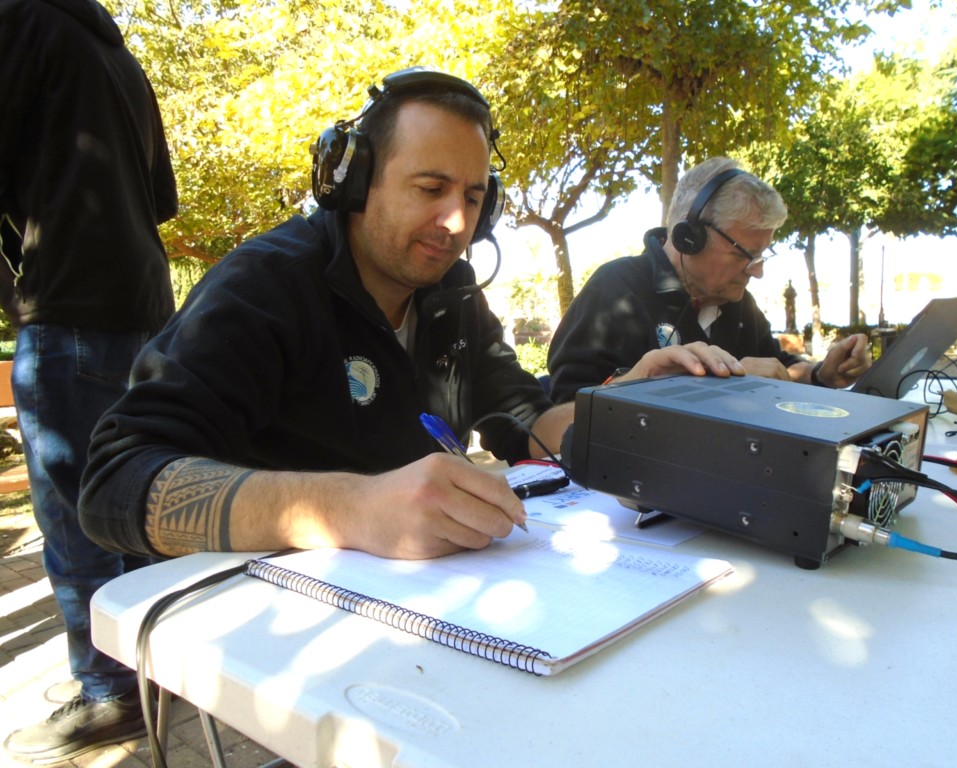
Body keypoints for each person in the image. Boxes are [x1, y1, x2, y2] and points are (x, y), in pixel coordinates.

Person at [78, 68, 743, 565]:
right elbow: (115, 482)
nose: (456, 222)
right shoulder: (266, 284)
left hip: (429, 601)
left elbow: (528, 423)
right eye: (430, 188)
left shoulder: (450, 293)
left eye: (475, 197)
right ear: (355, 181)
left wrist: (625, 405)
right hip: (284, 618)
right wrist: (350, 509)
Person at [0, 0, 178, 761]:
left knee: (75, 516)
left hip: (70, 300)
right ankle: (161, 672)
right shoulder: (121, 60)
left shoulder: (18, 23)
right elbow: (162, 197)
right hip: (146, 306)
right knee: (135, 501)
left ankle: (110, 693)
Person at [546, 156, 873, 404]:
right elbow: (569, 405)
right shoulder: (616, 290)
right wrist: (724, 383)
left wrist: (821, 373)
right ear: (690, 238)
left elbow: (774, 364)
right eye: (746, 254)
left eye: (761, 257)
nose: (757, 271)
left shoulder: (738, 303)